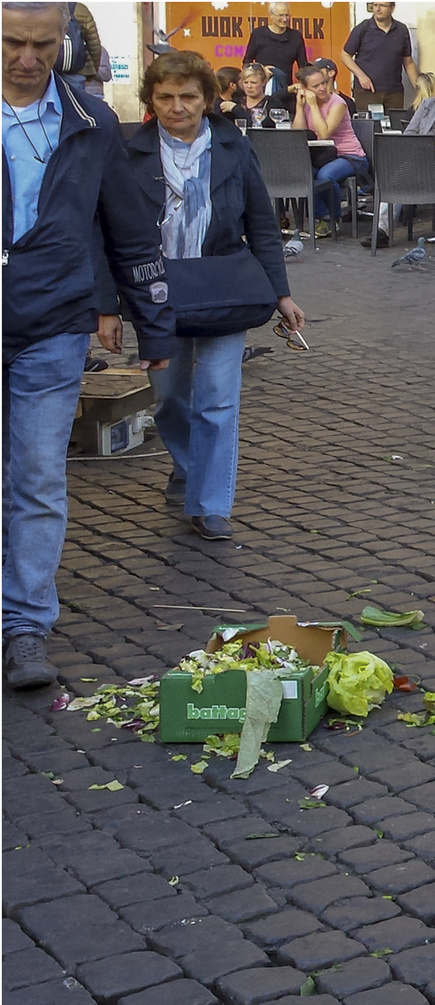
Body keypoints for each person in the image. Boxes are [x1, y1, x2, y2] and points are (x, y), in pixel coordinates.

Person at [2, 0, 175, 690]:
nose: (26, 58)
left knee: (39, 478)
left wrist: (152, 321)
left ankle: (24, 626)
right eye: (12, 42)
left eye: (42, 45)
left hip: (52, 321)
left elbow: (128, 226)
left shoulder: (92, 120)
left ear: (66, 45)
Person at [108, 50, 303, 545]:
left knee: (217, 399)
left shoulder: (233, 148)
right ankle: (187, 462)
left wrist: (281, 294)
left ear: (208, 99)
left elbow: (261, 223)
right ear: (151, 100)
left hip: (223, 287)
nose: (178, 107)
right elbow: (107, 230)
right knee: (170, 399)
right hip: (157, 292)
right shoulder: (130, 153)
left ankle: (210, 503)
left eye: (188, 97)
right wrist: (106, 305)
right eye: (166, 97)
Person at [290, 64, 367, 238]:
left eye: (324, 83)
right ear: (305, 89)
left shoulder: (337, 103)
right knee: (305, 173)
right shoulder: (307, 103)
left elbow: (324, 133)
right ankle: (322, 215)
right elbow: (298, 134)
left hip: (350, 155)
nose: (322, 88)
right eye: (316, 86)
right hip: (322, 155)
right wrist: (300, 108)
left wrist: (314, 106)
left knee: (325, 176)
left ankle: (332, 219)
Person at [342, 1, 415, 110]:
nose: (377, 9)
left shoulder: (401, 30)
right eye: (375, 5)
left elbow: (408, 62)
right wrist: (361, 76)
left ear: (392, 8)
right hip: (367, 91)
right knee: (370, 126)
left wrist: (420, 87)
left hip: (394, 91)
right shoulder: (363, 28)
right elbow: (345, 55)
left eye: (382, 6)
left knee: (394, 125)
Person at [242, 2, 306, 95]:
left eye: (287, 15)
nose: (284, 19)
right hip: (261, 90)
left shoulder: (295, 36)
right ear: (271, 15)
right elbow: (246, 63)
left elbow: (303, 67)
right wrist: (262, 70)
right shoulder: (258, 34)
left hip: (285, 90)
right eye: (280, 15)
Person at [60, 1, 98, 93]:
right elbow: (94, 44)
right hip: (77, 71)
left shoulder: (43, 7)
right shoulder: (80, 10)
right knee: (75, 103)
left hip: (48, 71)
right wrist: (92, 72)